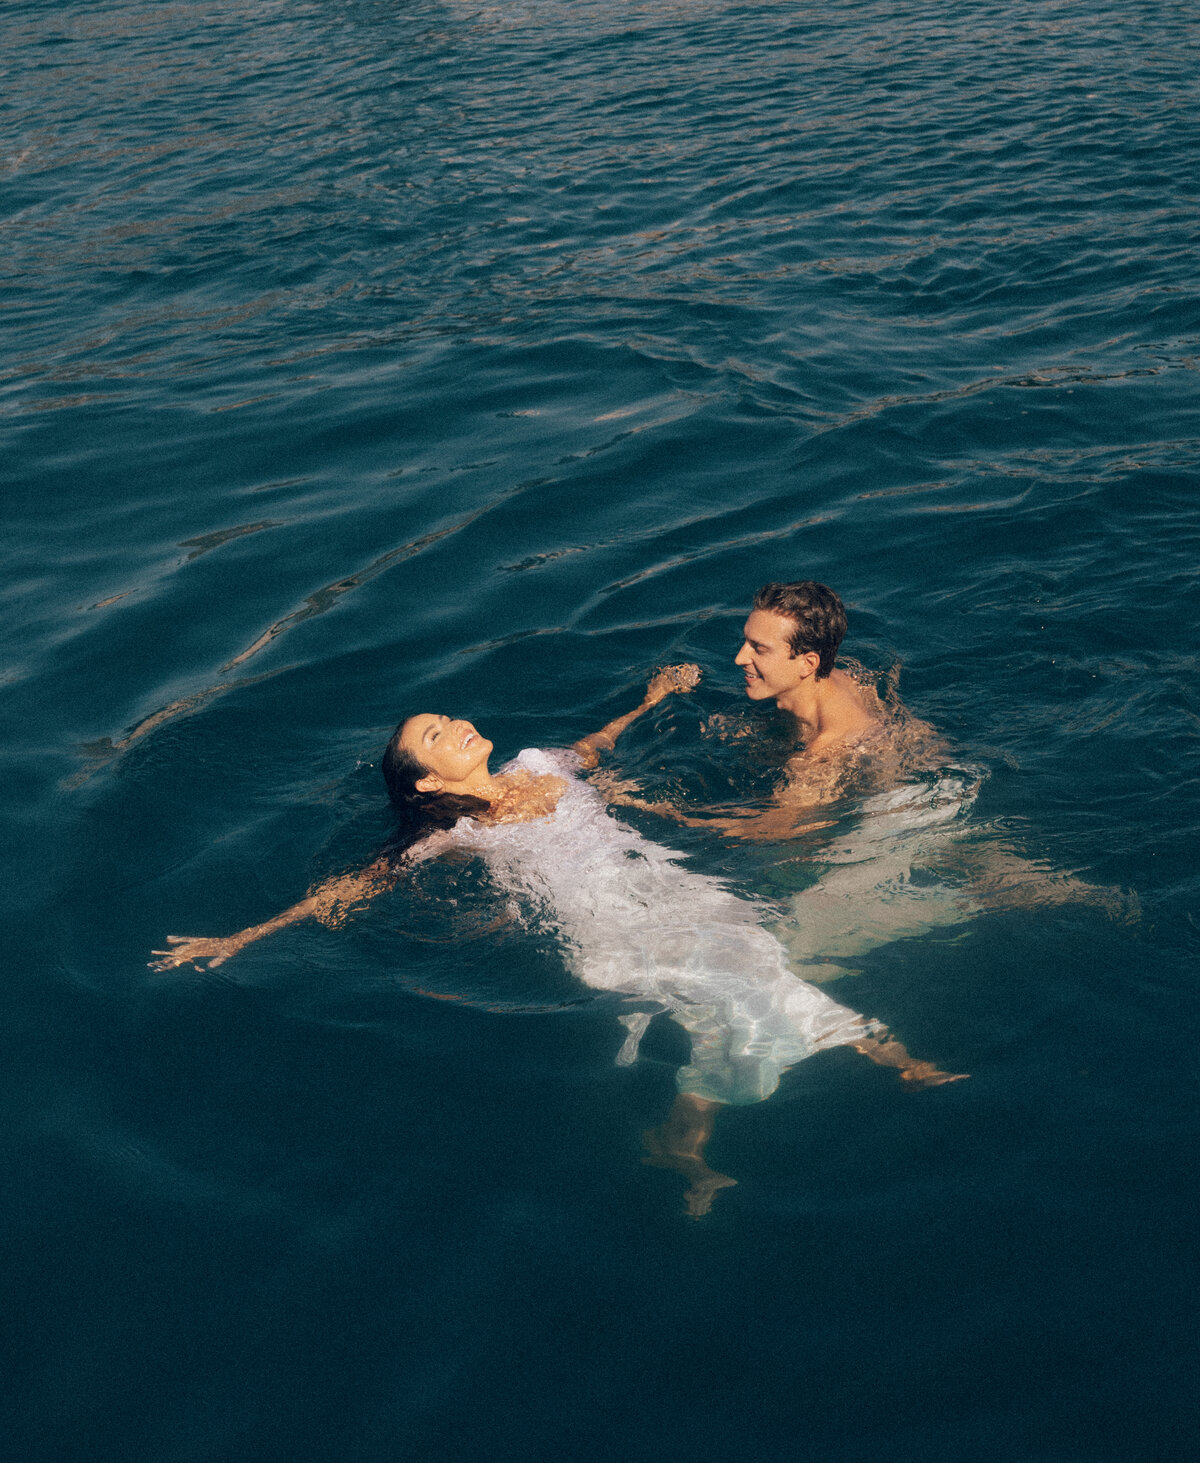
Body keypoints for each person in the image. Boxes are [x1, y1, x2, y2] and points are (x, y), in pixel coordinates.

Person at [152, 666, 964, 1217]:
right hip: (608, 929)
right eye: (437, 736)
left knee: (735, 994)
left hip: (675, 890)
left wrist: (649, 700)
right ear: (428, 783)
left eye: (448, 717)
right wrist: (243, 937)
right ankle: (883, 1054)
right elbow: (351, 887)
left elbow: (599, 745)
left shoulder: (542, 763)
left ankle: (682, 1142)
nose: (459, 725)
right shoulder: (450, 835)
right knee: (745, 983)